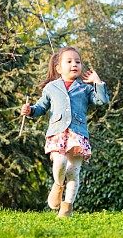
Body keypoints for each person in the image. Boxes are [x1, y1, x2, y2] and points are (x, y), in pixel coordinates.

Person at [22, 47, 109, 217]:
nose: (74, 64)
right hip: (58, 133)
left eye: (77, 61)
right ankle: (58, 186)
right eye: (69, 61)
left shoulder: (85, 89)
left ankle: (67, 207)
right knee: (60, 161)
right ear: (59, 68)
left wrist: (97, 81)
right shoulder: (51, 87)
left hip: (77, 134)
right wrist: (30, 110)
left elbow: (101, 101)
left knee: (73, 172)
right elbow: (40, 107)